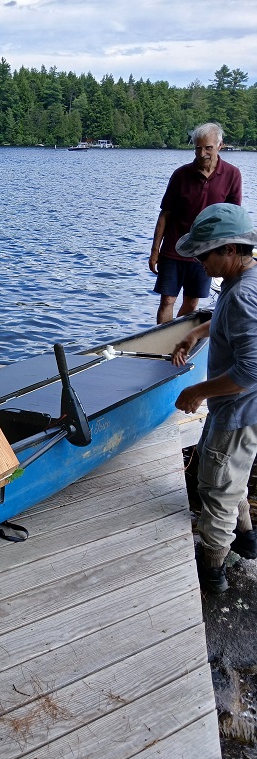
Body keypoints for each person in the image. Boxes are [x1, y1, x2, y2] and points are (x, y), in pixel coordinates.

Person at [172, 203, 257, 594]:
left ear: (231, 251)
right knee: (227, 473)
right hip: (240, 411)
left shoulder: (242, 296)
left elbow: (250, 371)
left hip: (238, 413)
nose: (200, 262)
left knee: (218, 488)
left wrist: (196, 391)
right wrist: (197, 333)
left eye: (205, 254)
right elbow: (227, 319)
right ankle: (247, 538)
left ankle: (214, 569)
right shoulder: (245, 280)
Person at [149, 122, 242, 324]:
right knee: (167, 300)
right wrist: (155, 251)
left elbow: (234, 217)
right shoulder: (180, 175)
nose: (202, 153)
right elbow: (165, 214)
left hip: (207, 251)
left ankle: (178, 343)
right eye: (198, 147)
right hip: (173, 249)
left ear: (220, 146)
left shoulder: (232, 174)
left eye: (208, 147)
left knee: (191, 303)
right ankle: (162, 345)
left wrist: (232, 254)